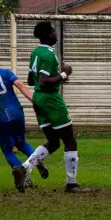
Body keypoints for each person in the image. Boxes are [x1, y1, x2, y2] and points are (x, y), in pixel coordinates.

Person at [22, 21, 91, 193]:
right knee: (70, 141)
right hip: (51, 100)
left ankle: (24, 168)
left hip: (38, 99)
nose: (55, 33)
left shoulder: (35, 53)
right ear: (47, 35)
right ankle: (71, 185)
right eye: (53, 31)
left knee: (53, 142)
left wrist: (57, 77)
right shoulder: (48, 55)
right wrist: (63, 74)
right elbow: (43, 81)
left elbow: (31, 80)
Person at [0, 49, 48, 192]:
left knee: (7, 149)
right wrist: (33, 100)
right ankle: (37, 161)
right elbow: (20, 84)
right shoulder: (6, 72)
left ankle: (20, 172)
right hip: (16, 112)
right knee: (21, 142)